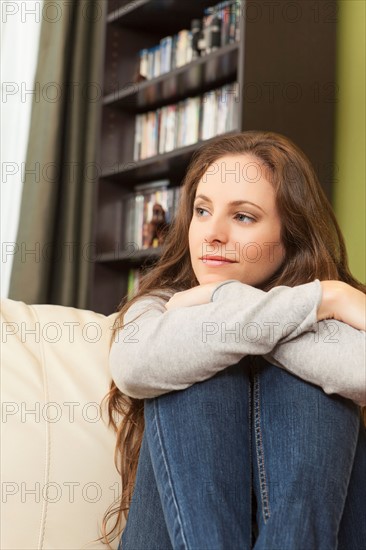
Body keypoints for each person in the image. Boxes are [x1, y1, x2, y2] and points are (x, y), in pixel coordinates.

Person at [98, 131, 366, 549]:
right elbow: (135, 368)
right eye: (202, 211)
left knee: (312, 387)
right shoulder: (162, 306)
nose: (212, 234)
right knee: (191, 363)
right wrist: (320, 299)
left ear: (290, 234)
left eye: (243, 217)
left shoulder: (329, 313)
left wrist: (228, 300)